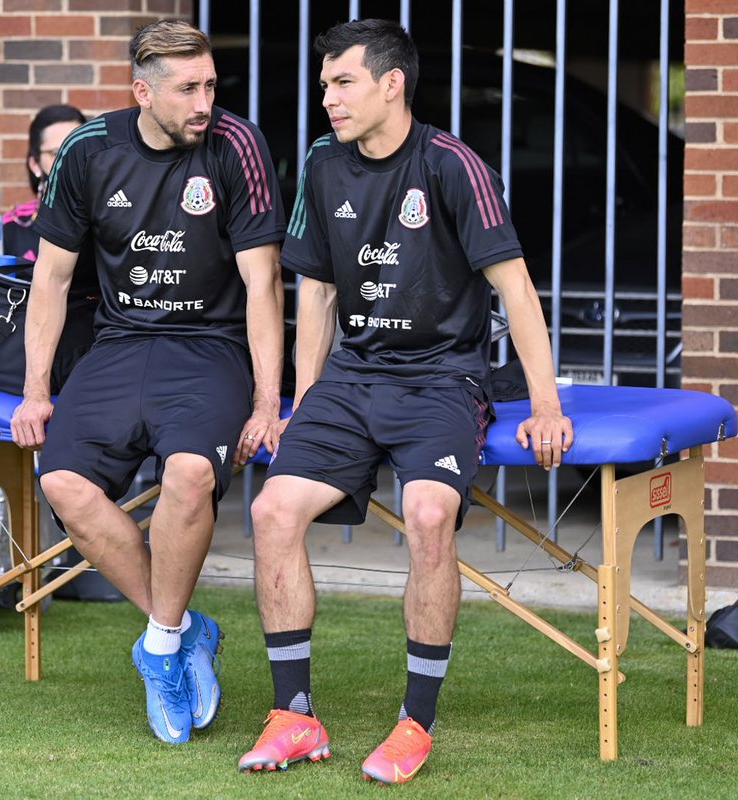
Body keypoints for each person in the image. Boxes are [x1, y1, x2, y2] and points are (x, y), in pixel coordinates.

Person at [238, 19, 574, 784]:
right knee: (270, 511)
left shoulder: (452, 164)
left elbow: (515, 290)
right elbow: (316, 292)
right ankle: (294, 715)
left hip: (441, 380)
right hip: (352, 380)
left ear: (393, 83)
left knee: (428, 517)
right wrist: (303, 401)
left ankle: (413, 725)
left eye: (342, 82)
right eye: (324, 84)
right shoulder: (324, 163)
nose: (327, 98)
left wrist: (546, 404)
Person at [10, 19, 286, 745]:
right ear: (143, 91)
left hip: (211, 348)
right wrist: (37, 389)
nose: (205, 101)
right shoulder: (88, 150)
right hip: (121, 343)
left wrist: (267, 401)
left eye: (210, 85)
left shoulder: (236, 145)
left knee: (190, 475)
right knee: (62, 482)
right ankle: (184, 629)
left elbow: (265, 284)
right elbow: (53, 277)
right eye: (188, 88)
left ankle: (158, 646)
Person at [2, 103, 88, 263]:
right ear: (35, 163)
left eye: (77, 149)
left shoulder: (112, 217)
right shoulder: (11, 226)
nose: (69, 160)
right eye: (56, 153)